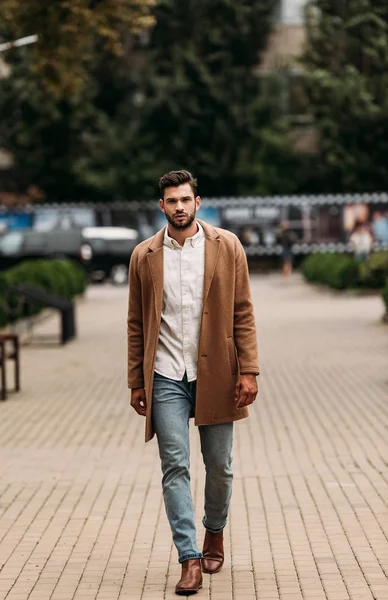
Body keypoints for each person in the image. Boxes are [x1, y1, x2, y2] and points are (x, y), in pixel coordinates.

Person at [127, 170, 259, 595]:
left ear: (198, 202)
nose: (179, 206)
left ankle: (214, 531)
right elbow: (135, 324)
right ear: (161, 206)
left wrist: (249, 369)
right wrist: (136, 381)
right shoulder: (144, 256)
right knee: (175, 466)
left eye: (186, 199)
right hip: (165, 374)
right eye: (171, 201)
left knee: (219, 465)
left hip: (216, 372)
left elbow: (243, 312)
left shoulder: (227, 246)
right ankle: (189, 558)